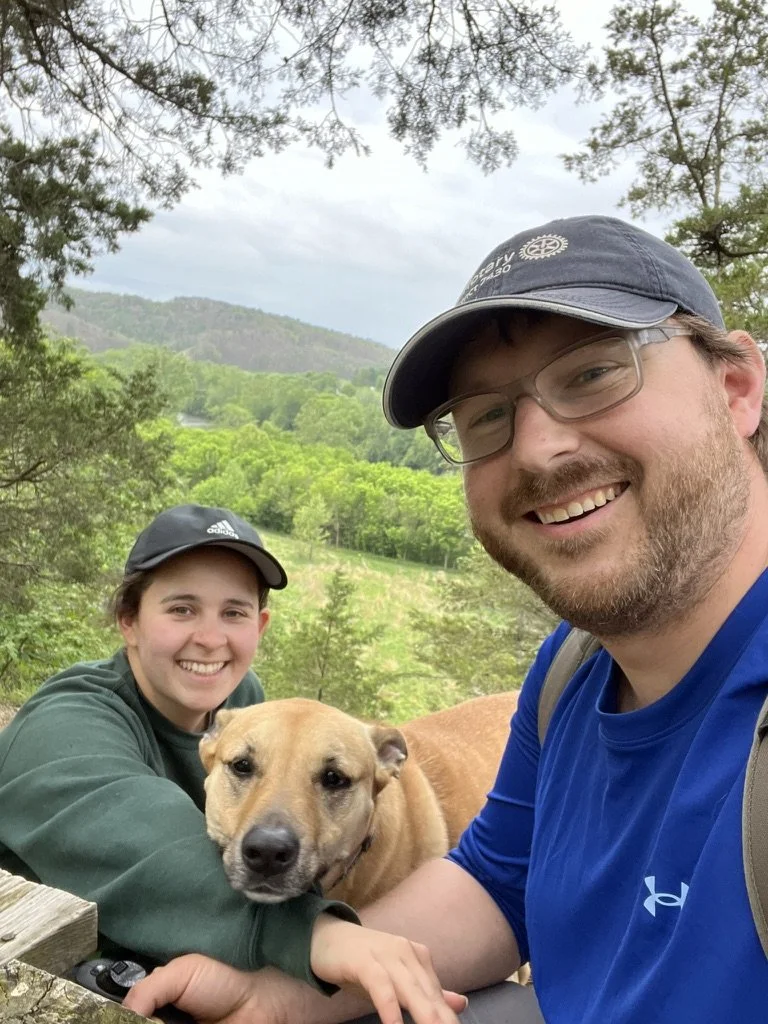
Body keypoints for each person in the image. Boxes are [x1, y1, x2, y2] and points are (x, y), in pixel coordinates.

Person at [124, 214, 768, 1024]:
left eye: (595, 373)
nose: (538, 450)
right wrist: (275, 993)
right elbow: (499, 885)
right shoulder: (570, 674)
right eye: (486, 417)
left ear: (737, 386)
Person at [0, 503, 446, 1014]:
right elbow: (143, 839)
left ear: (260, 626)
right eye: (181, 609)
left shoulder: (238, 708)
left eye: (232, 613)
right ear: (130, 622)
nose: (211, 639)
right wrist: (316, 936)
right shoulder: (64, 723)